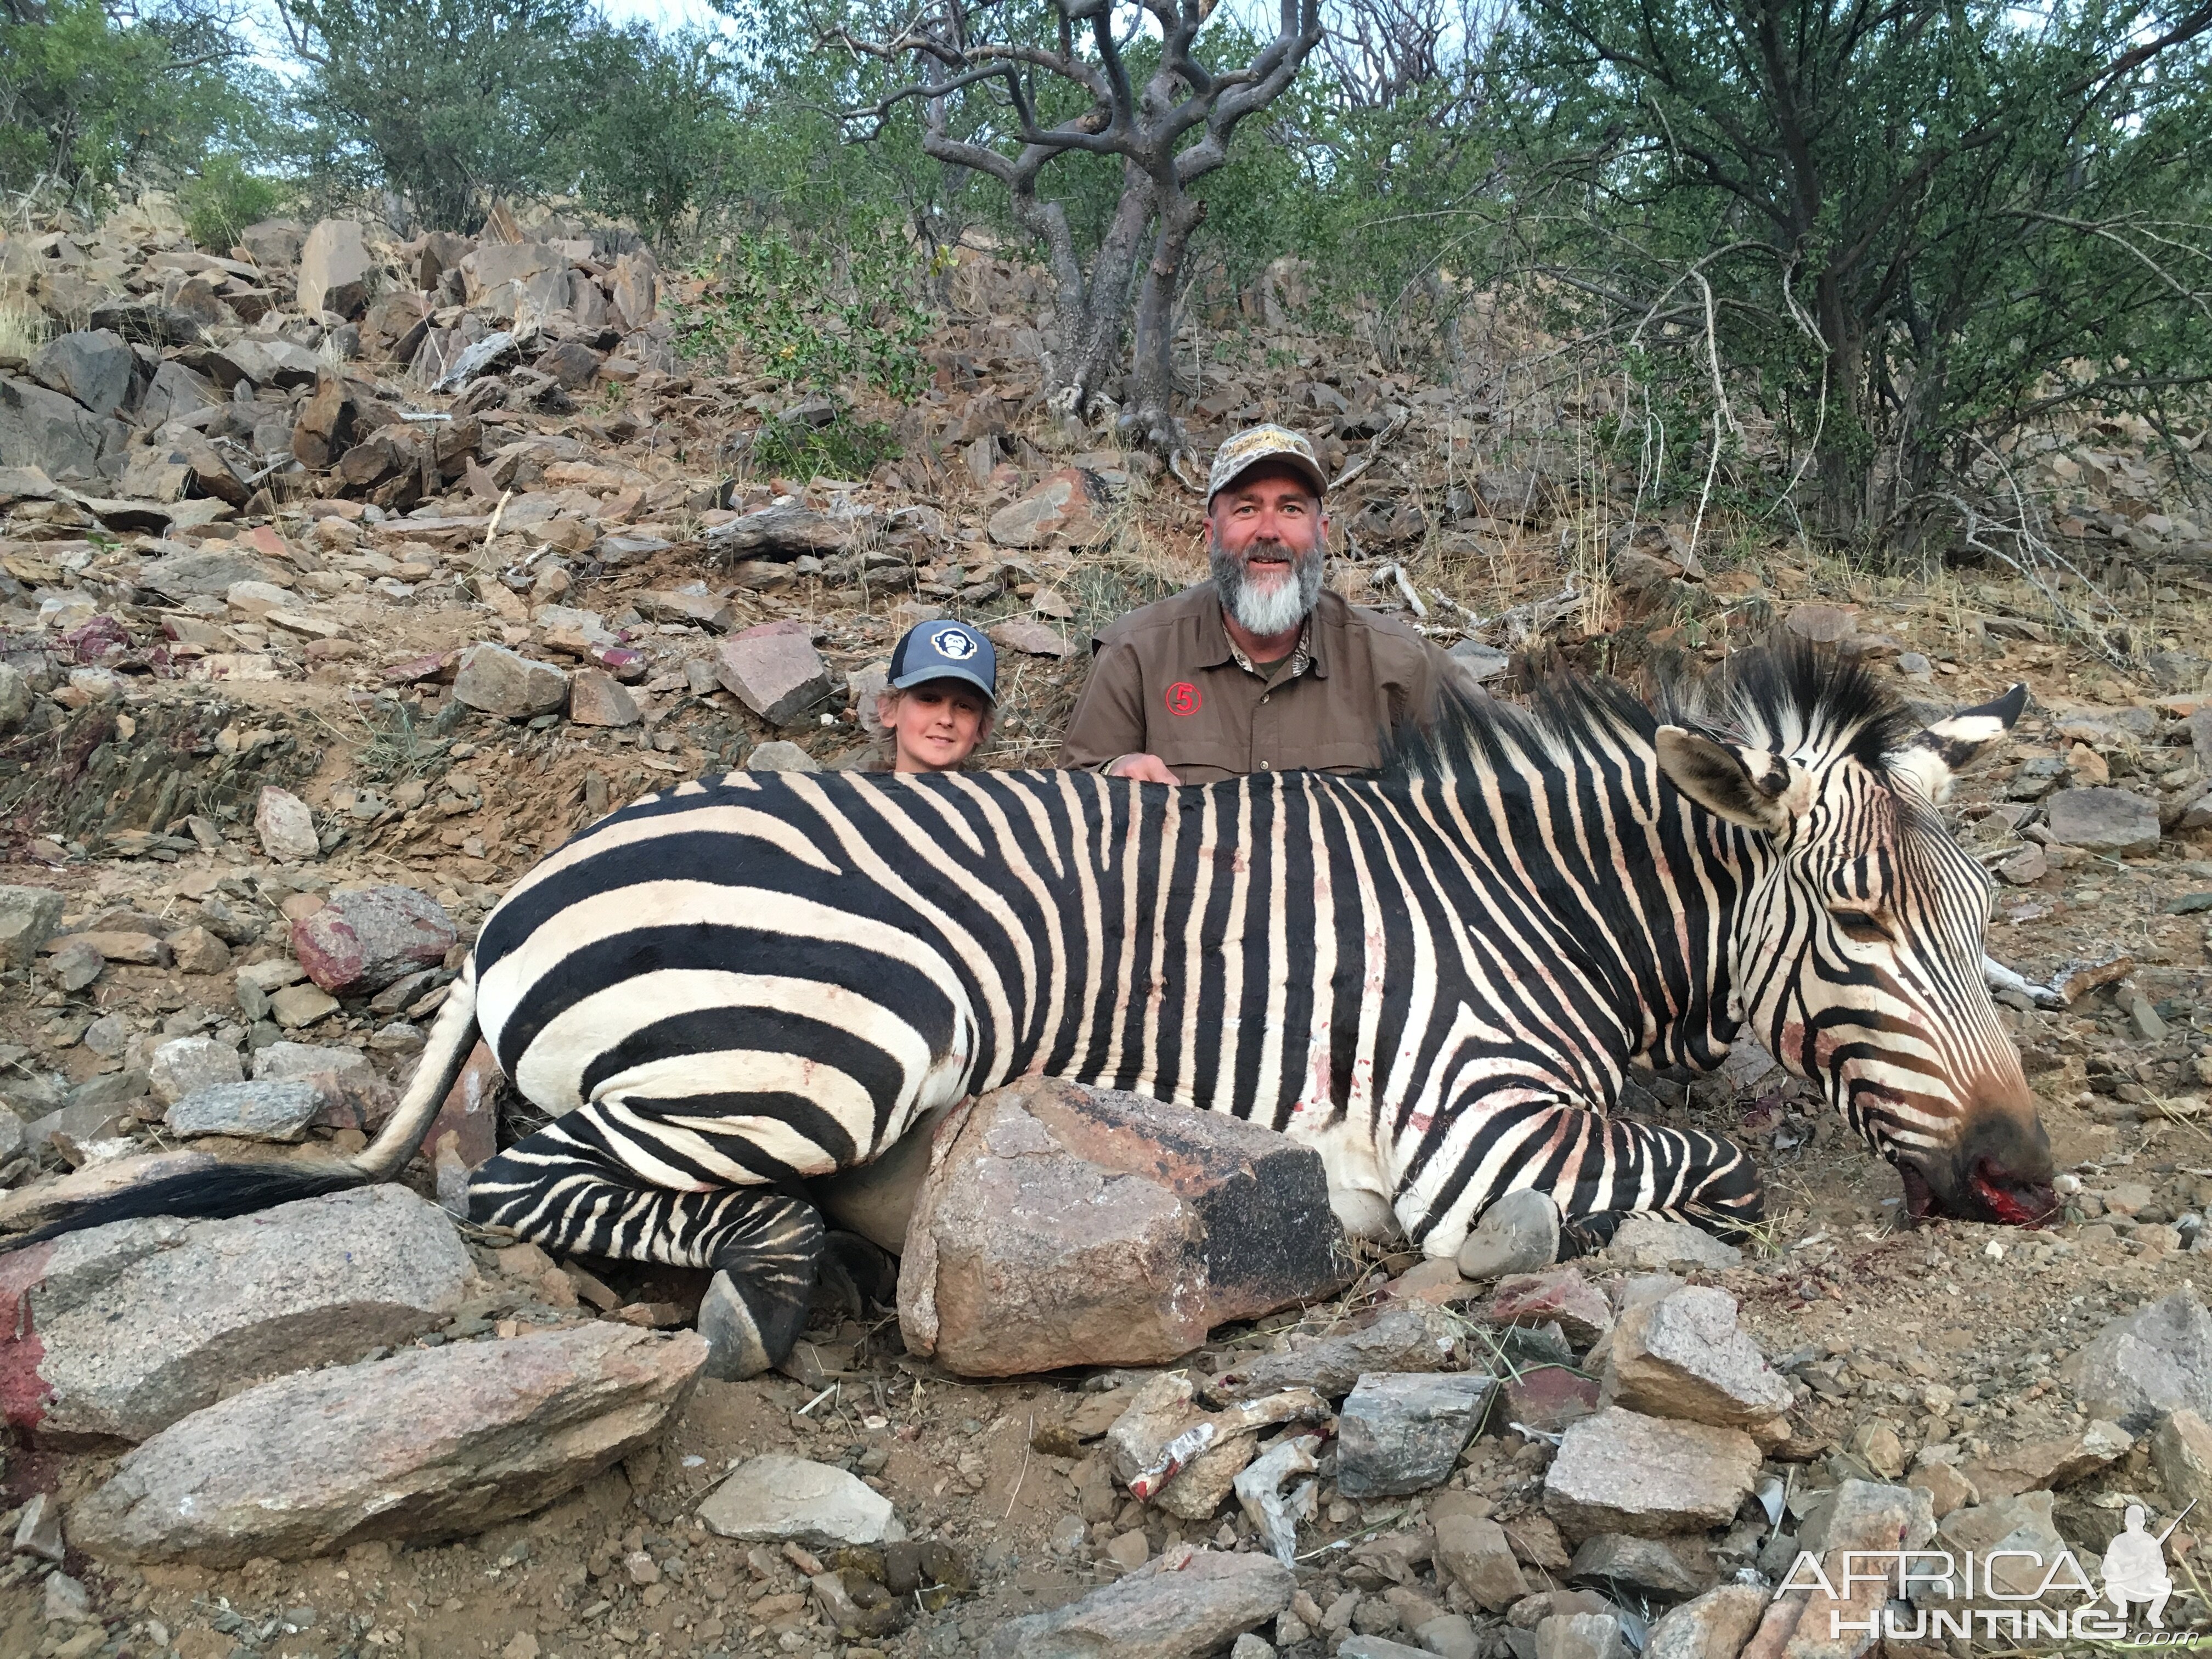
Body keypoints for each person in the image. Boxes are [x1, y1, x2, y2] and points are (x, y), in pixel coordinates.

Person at [1058, 423, 1456, 785]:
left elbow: (1499, 768)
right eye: (1246, 509)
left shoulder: (1399, 664)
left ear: (1322, 533)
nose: (1269, 531)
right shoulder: (1135, 655)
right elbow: (1072, 794)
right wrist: (1114, 771)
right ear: (1212, 534)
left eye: (1290, 509)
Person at [873, 619, 997, 773]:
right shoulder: (843, 795)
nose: (946, 720)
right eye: (929, 699)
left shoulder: (1007, 796)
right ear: (888, 710)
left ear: (984, 727)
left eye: (964, 706)